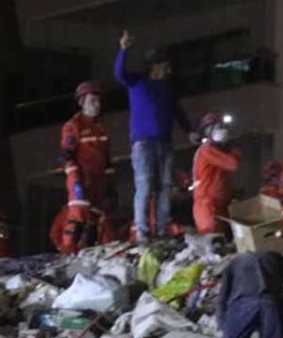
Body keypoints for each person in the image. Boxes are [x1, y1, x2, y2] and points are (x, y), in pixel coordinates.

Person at [114, 30, 193, 243]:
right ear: (155, 65)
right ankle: (142, 230)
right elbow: (119, 73)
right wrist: (123, 50)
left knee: (165, 187)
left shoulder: (168, 88)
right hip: (143, 144)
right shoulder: (137, 82)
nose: (170, 68)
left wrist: (190, 130)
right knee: (145, 185)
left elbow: (177, 111)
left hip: (165, 143)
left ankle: (161, 231)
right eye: (166, 64)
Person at [61, 81, 113, 212]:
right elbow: (68, 157)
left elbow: (106, 159)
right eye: (92, 101)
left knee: (97, 222)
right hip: (82, 180)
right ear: (82, 102)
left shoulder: (101, 127)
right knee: (78, 219)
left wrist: (109, 185)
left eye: (99, 100)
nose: (97, 104)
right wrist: (76, 182)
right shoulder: (74, 126)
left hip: (99, 184)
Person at [191, 113, 241, 235]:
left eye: (223, 127)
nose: (223, 131)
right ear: (208, 132)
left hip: (220, 203)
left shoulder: (217, 151)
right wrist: (234, 152)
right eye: (218, 128)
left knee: (223, 242)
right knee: (212, 241)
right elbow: (233, 164)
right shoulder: (207, 150)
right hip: (208, 205)